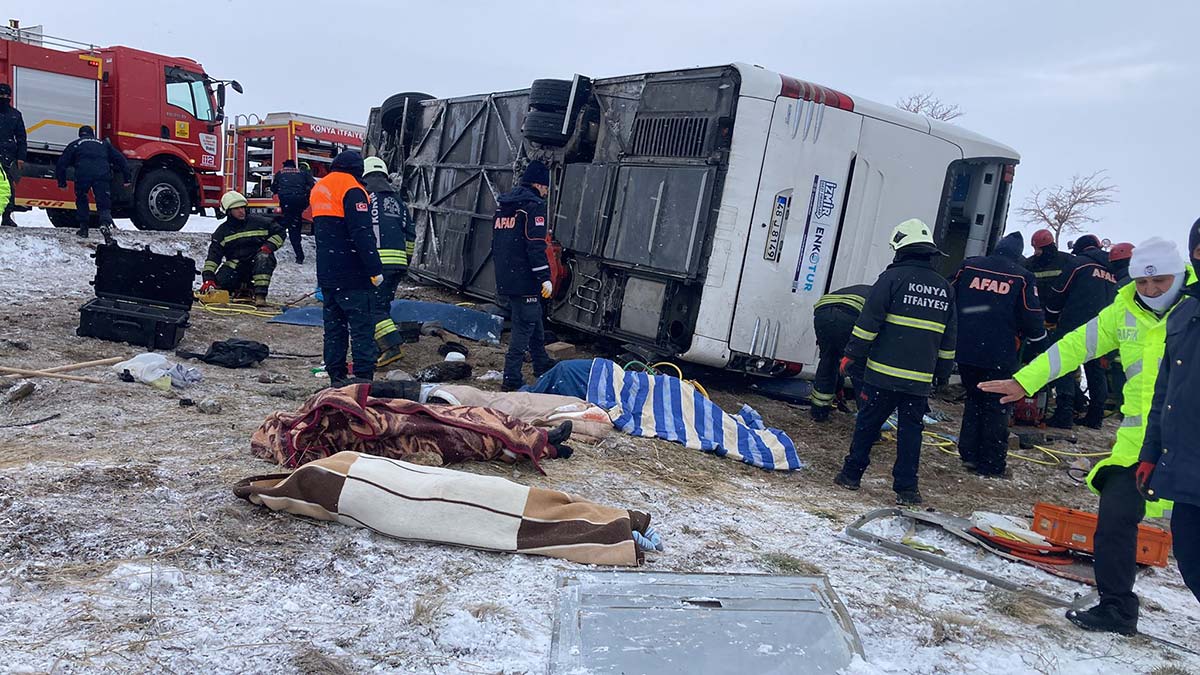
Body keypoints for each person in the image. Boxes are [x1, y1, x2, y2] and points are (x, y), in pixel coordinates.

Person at [980, 237, 1193, 636]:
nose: (1151, 291)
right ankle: (1116, 609)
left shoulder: (1195, 309)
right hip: (1138, 443)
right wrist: (1026, 381)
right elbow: (1075, 345)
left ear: (1179, 275)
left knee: (1191, 542)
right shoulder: (1123, 310)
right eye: (1143, 283)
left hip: (1191, 440)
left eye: (1161, 282)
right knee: (1114, 519)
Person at [834, 219, 956, 505]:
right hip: (919, 381)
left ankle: (851, 476)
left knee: (868, 425)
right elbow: (949, 338)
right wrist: (942, 374)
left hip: (882, 375)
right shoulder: (944, 288)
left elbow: (868, 323)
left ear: (901, 250)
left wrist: (852, 355)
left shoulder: (890, 279)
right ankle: (907, 489)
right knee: (911, 433)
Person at [1139, 221, 1200, 608]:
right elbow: (1165, 394)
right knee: (1192, 561)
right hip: (1188, 470)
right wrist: (1150, 453)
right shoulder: (1184, 313)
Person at [949, 232, 1045, 477]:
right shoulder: (1022, 277)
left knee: (974, 398)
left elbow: (950, 294)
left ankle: (969, 454)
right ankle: (991, 463)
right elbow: (1031, 315)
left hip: (966, 349)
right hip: (1000, 352)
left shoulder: (969, 266)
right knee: (997, 406)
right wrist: (1038, 341)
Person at [312, 150, 384, 387]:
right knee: (362, 329)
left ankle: (336, 378)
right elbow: (361, 233)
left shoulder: (320, 187)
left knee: (334, 330)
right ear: (357, 169)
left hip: (328, 273)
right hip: (353, 273)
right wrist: (374, 268)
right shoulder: (353, 189)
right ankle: (363, 381)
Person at [492, 160, 555, 392]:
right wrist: (544, 277)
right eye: (546, 186)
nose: (547, 191)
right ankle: (511, 377)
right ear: (538, 184)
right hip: (526, 278)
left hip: (506, 276)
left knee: (533, 317)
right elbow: (536, 246)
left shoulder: (504, 207)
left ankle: (541, 362)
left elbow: (497, 244)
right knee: (523, 325)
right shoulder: (533, 206)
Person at [1043, 234, 1117, 429]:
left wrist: (1050, 318)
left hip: (1075, 325)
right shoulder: (1114, 270)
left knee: (1063, 364)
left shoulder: (1079, 264)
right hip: (1104, 327)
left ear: (1081, 249)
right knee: (1095, 369)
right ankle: (1095, 416)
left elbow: (1059, 292)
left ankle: (1064, 413)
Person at [362, 156, 416, 368]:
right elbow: (411, 234)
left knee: (372, 307)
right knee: (382, 305)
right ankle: (379, 346)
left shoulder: (366, 197)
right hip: (398, 264)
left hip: (377, 262)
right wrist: (406, 260)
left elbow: (361, 230)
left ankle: (391, 346)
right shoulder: (398, 201)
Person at [200, 192, 285, 305]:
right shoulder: (222, 232)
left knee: (263, 257)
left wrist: (268, 247)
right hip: (237, 265)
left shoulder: (260, 222)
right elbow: (213, 257)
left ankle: (260, 295)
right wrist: (208, 278)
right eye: (236, 209)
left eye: (242, 207)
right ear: (229, 212)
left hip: (258, 261)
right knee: (220, 284)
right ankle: (242, 288)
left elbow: (280, 232)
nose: (241, 211)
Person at [54, 126, 131, 244]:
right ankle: (105, 223)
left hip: (83, 175)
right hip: (102, 175)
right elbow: (121, 160)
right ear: (93, 134)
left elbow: (61, 164)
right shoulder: (103, 144)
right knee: (103, 201)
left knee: (81, 198)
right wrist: (127, 179)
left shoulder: (75, 144)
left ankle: (84, 228)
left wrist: (62, 183)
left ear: (80, 134)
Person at [809, 284, 871, 422]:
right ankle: (867, 423)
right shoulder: (886, 298)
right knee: (860, 369)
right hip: (850, 314)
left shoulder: (869, 290)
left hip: (823, 311)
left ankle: (818, 412)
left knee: (828, 360)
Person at [272, 159, 316, 263]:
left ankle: (273, 241)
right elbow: (312, 185)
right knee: (294, 227)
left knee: (287, 224)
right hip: (299, 203)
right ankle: (299, 256)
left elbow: (273, 188)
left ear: (285, 166)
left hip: (286, 202)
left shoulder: (280, 173)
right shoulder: (302, 173)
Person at [0, 83, 27, 227]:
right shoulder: (15, 114)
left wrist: (21, 157)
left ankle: (7, 215)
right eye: (1, 95)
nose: (4, 98)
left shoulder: (15, 115)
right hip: (8, 153)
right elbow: (21, 138)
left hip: (8, 155)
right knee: (7, 186)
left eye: (5, 95)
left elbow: (22, 137)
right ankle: (6, 215)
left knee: (7, 187)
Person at [1024, 228, 1072, 300]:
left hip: (1059, 307)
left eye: (1039, 249)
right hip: (1036, 307)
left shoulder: (1068, 261)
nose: (1035, 252)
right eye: (1034, 248)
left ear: (1048, 248)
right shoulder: (1029, 264)